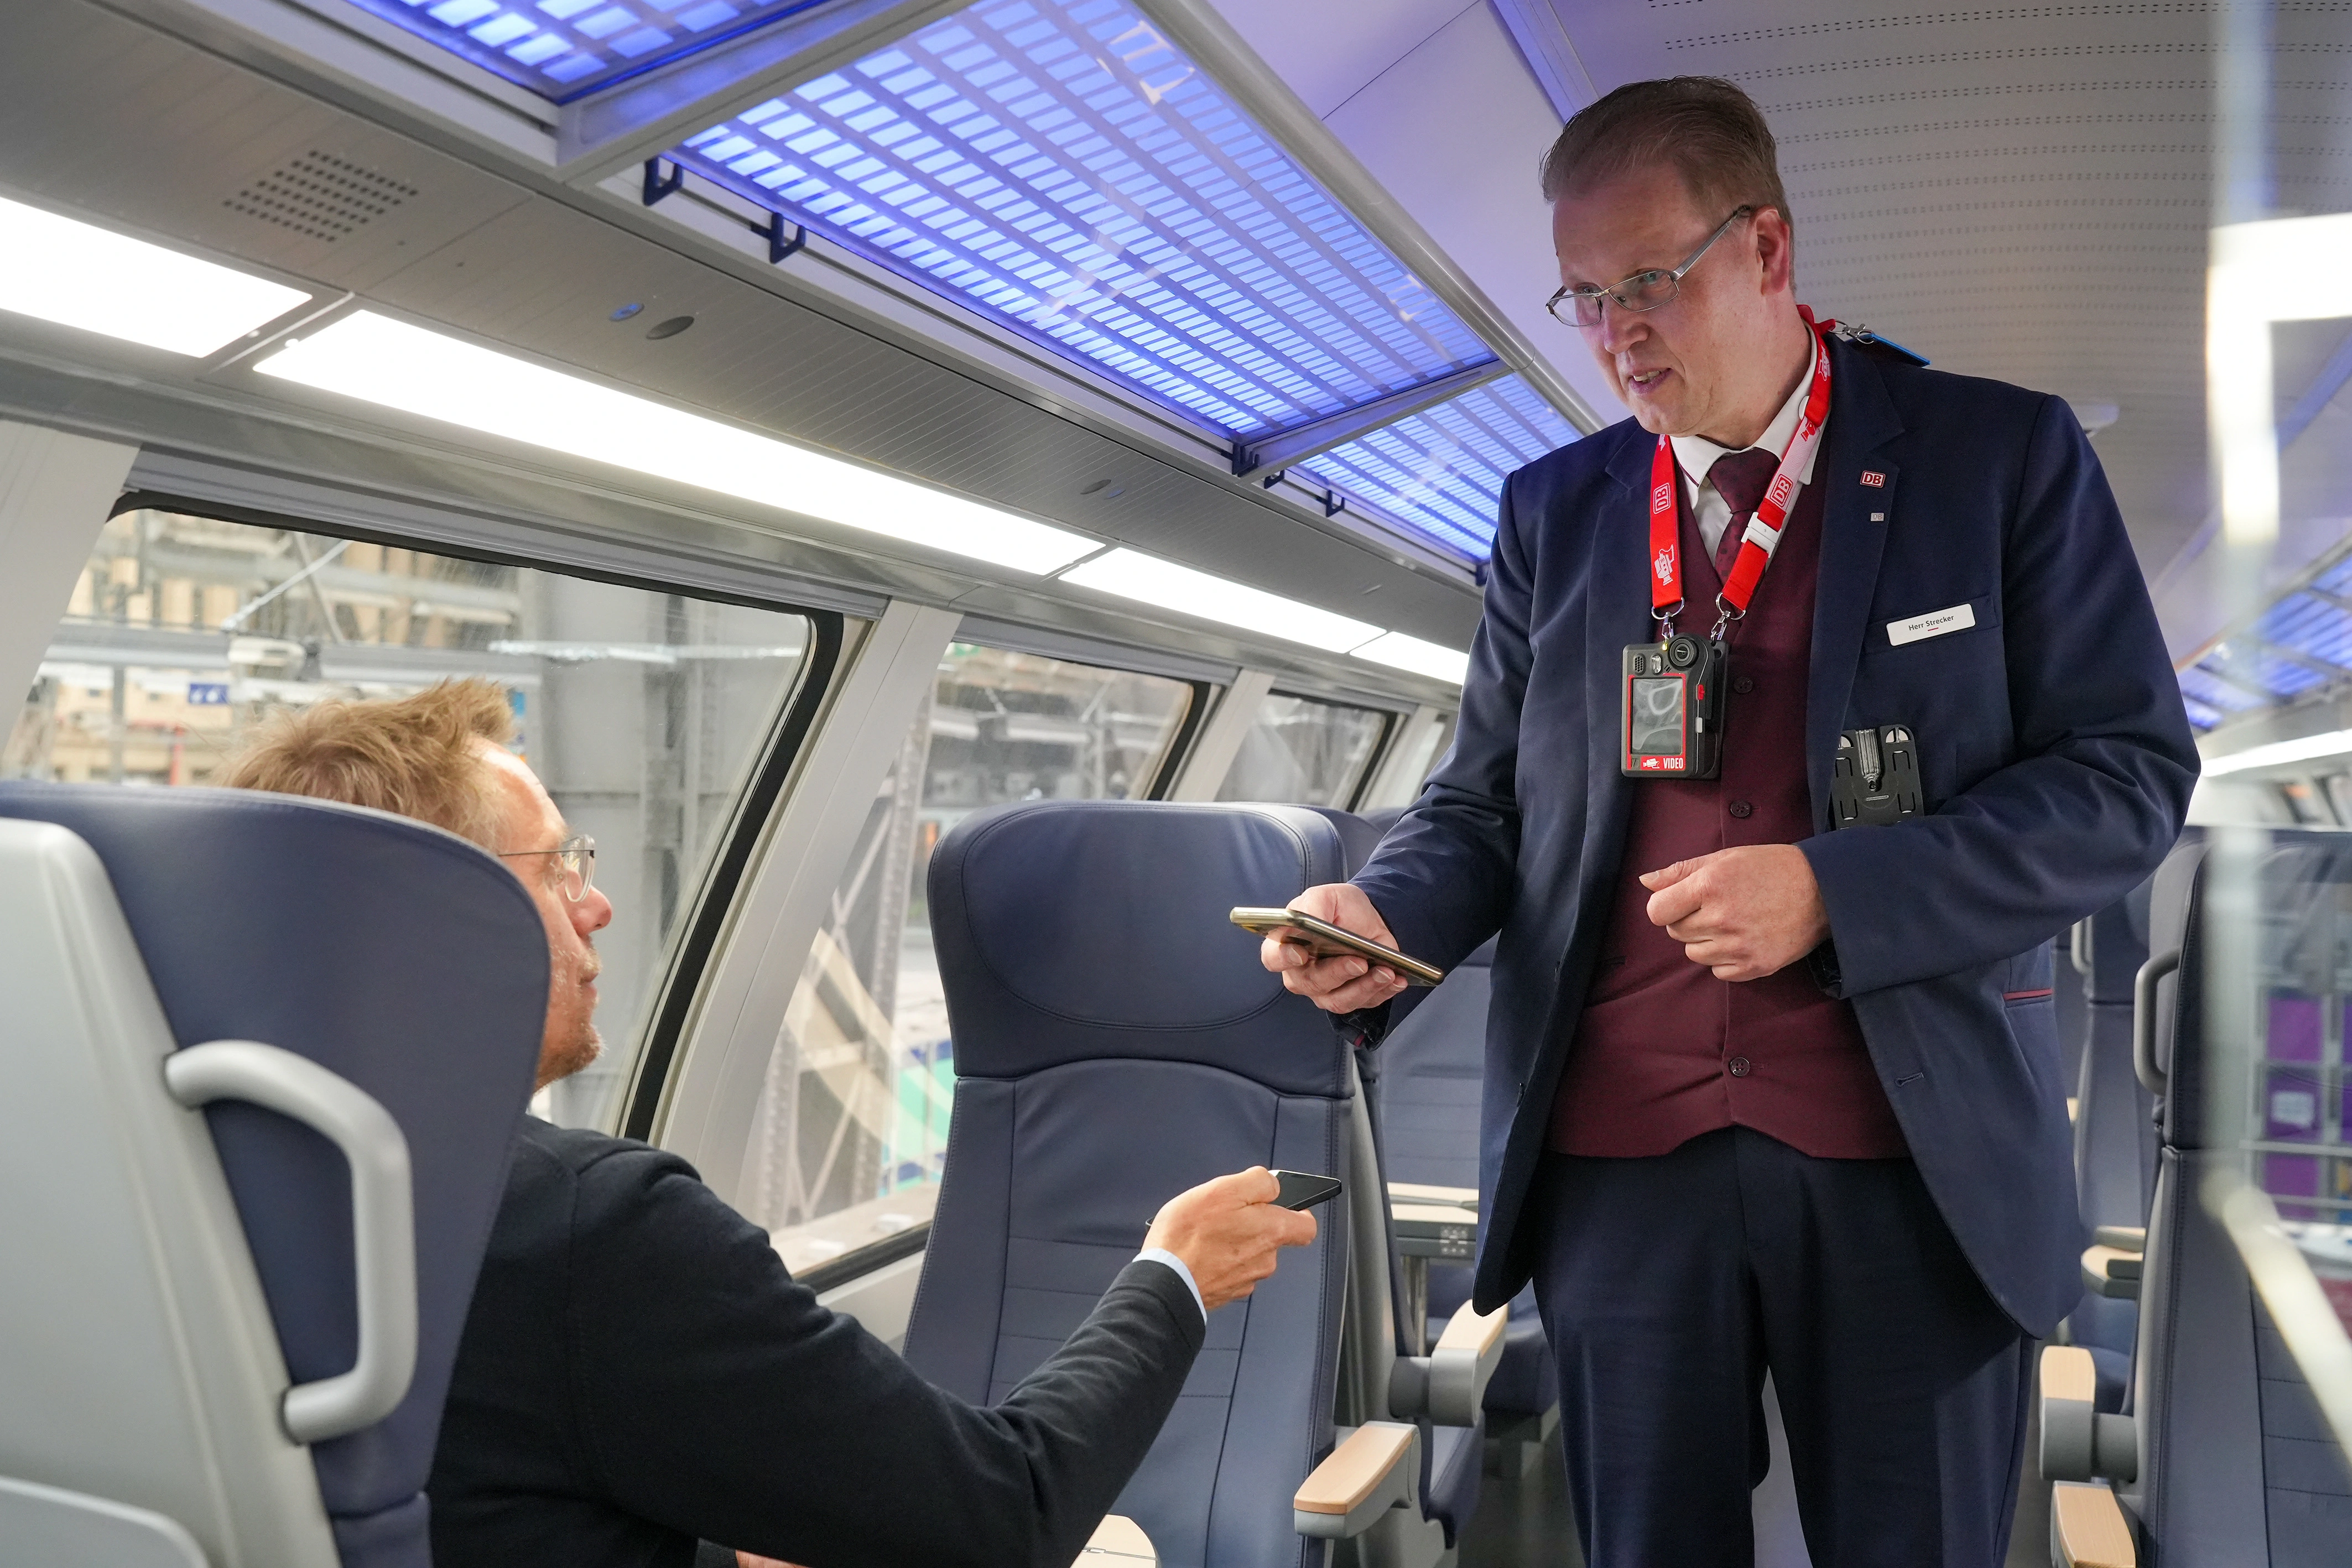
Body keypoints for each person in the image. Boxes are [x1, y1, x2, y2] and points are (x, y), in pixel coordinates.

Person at [1263, 77, 2197, 1566]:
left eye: (1648, 280)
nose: (1615, 329)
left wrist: (1841, 889)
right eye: (1581, 297)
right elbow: (1483, 804)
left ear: (1765, 246)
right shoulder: (1552, 513)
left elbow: (2125, 778)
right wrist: (1392, 916)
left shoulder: (1993, 461)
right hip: (1620, 1170)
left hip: (1909, 1158)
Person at [226, 678, 1316, 1568]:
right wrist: (1170, 1275)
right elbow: (1004, 1513)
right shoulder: (592, 1231)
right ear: (438, 913)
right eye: (558, 864)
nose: (595, 902)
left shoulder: (209, 1187)